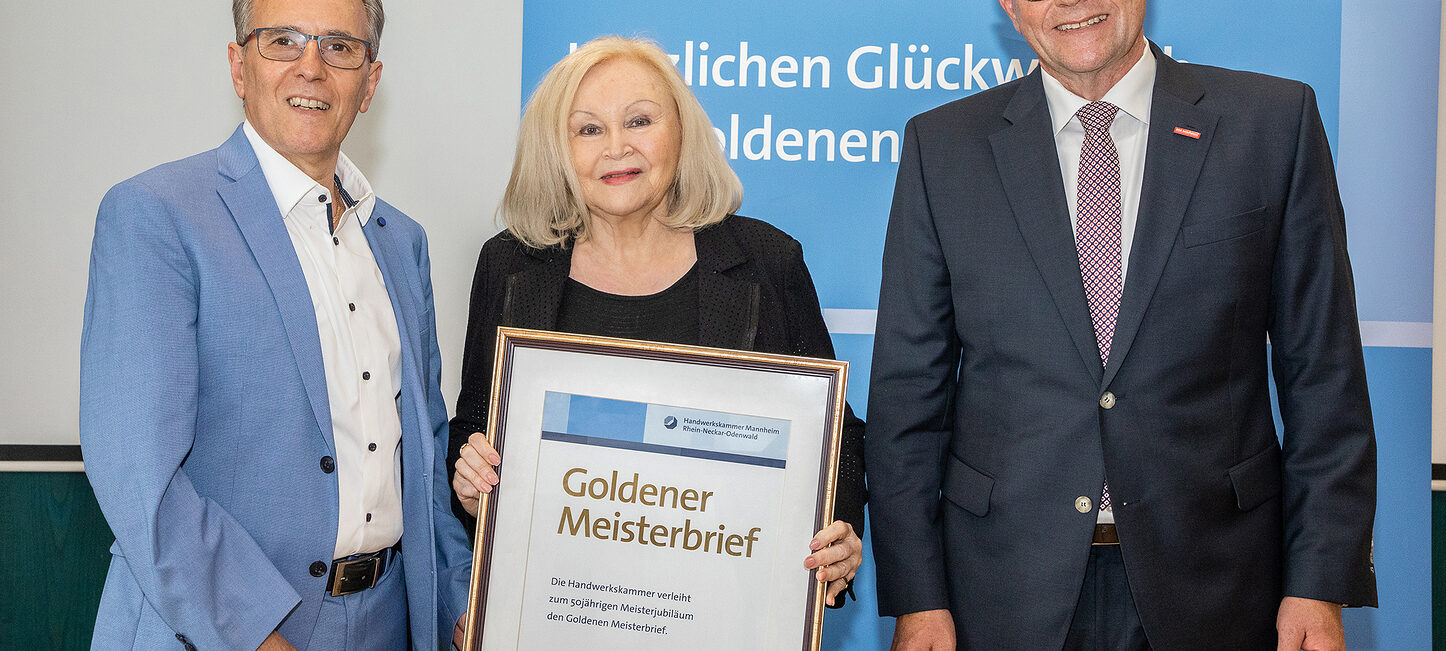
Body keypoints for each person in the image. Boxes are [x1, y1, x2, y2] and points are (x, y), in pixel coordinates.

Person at [865, 1, 1377, 649]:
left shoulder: (1271, 123)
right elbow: (908, 396)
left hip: (1218, 582)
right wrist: (918, 597)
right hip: (999, 590)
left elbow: (1324, 377)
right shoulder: (943, 145)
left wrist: (1319, 582)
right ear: (1010, 6)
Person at [79, 0, 473, 648]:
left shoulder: (402, 243)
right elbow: (139, 477)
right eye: (282, 41)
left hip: (386, 623)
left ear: (370, 82)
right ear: (239, 67)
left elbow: (424, 463)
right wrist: (258, 635)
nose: (311, 67)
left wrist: (461, 606)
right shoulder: (155, 217)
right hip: (219, 629)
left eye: (339, 47)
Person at [447, 35, 866, 606]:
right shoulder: (510, 265)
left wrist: (838, 535)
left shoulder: (767, 262)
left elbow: (835, 438)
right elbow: (471, 424)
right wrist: (471, 483)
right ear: (558, 149)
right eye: (588, 129)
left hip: (724, 615)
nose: (617, 148)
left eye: (639, 121)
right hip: (561, 611)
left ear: (681, 133)